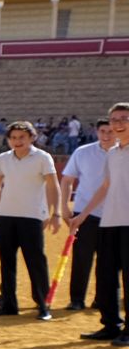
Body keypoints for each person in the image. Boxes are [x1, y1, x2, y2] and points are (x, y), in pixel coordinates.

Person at [0, 121, 61, 321]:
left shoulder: (42, 158)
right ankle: (8, 304)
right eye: (13, 138)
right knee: (6, 263)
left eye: (22, 137)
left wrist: (56, 213)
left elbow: (53, 185)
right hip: (6, 216)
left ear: (32, 138)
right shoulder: (4, 158)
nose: (17, 141)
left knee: (36, 262)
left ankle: (43, 305)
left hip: (32, 216)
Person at [71, 103, 129, 345]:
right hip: (109, 222)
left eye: (123, 118)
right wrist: (82, 215)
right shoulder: (113, 153)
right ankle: (110, 324)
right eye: (114, 119)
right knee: (105, 275)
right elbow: (104, 187)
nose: (117, 123)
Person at [60, 119, 112, 310]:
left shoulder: (123, 153)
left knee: (108, 261)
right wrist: (64, 206)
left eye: (110, 132)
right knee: (82, 258)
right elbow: (67, 180)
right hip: (84, 214)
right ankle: (77, 299)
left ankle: (102, 299)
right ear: (96, 132)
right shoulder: (82, 152)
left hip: (115, 214)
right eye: (103, 131)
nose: (106, 136)